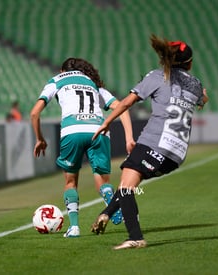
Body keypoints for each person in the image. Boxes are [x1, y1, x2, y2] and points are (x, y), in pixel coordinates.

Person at [90, 35, 208, 250]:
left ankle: (135, 237)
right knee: (127, 185)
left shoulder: (157, 76)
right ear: (189, 63)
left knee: (126, 187)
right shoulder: (196, 84)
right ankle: (106, 214)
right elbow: (203, 98)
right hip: (176, 154)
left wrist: (107, 121)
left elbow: (127, 101)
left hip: (154, 142)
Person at [30, 57, 135, 237]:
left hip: (72, 130)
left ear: (63, 71)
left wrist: (40, 139)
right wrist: (129, 138)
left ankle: (74, 228)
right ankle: (112, 206)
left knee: (70, 182)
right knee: (103, 182)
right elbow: (121, 107)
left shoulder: (56, 80)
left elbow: (34, 113)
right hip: (98, 129)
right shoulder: (93, 84)